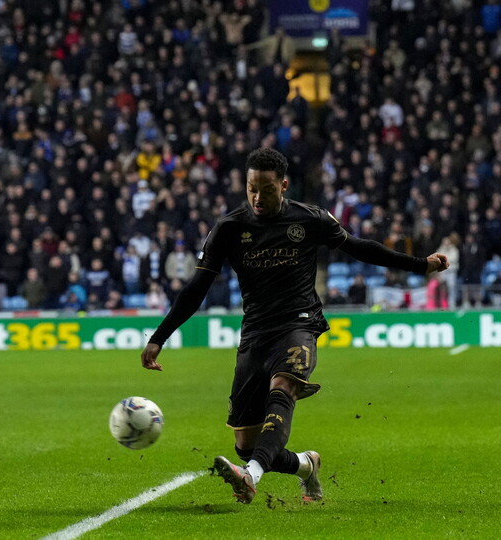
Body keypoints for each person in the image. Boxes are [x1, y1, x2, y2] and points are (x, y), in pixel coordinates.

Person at [140, 148, 449, 505]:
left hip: (299, 323)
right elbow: (196, 290)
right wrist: (159, 337)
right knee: (245, 444)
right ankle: (306, 465)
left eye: (266, 190)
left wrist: (419, 265)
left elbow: (360, 248)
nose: (257, 197)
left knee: (284, 385)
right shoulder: (229, 228)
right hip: (256, 333)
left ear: (283, 185)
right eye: (251, 188)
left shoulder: (311, 219)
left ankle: (250, 477)